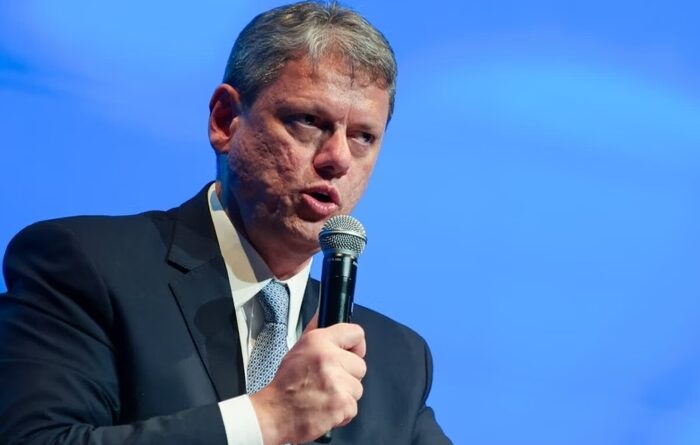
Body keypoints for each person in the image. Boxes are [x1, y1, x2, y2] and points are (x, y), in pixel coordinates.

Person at [0, 2, 452, 444]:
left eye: (363, 137)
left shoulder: (397, 361)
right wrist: (267, 418)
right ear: (224, 120)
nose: (338, 159)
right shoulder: (85, 268)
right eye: (309, 121)